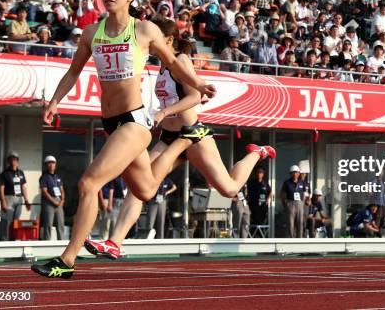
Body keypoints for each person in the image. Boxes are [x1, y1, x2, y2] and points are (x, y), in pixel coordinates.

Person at [31, 0, 216, 278]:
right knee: (144, 191)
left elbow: (172, 63)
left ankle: (67, 261)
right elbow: (74, 71)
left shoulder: (144, 31)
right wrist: (54, 101)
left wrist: (197, 85)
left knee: (89, 183)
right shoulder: (92, 33)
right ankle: (184, 141)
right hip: (111, 123)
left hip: (134, 122)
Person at [83, 19, 275, 259]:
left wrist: (164, 112)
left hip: (193, 134)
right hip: (169, 137)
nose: (150, 43)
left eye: (156, 38)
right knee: (140, 186)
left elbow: (195, 96)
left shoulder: (181, 61)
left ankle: (257, 152)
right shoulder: (160, 67)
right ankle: (115, 242)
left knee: (229, 188)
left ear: (169, 40)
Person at [0, 152, 31, 241]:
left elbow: (23, 187)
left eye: (15, 159)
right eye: (11, 159)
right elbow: (1, 188)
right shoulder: (5, 173)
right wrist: (3, 201)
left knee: (16, 222)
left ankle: (14, 241)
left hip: (18, 199)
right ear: (8, 161)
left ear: (17, 161)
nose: (13, 161)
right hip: (8, 198)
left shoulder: (21, 173)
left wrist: (26, 200)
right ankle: (4, 242)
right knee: (6, 222)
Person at [39, 155, 66, 240]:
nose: (51, 165)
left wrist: (62, 200)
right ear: (46, 165)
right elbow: (44, 191)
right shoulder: (44, 177)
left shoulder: (58, 177)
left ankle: (61, 242)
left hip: (59, 202)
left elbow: (62, 189)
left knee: (60, 223)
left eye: (53, 163)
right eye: (49, 163)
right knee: (48, 224)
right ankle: (47, 242)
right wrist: (52, 201)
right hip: (49, 203)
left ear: (55, 165)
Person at [281, 165, 305, 238]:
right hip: (290, 203)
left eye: (296, 172)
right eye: (293, 172)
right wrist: (285, 205)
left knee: (300, 223)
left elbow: (304, 193)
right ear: (290, 173)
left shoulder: (301, 182)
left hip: (300, 203)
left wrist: (302, 203)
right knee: (290, 223)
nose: (295, 174)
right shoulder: (287, 182)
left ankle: (299, 239)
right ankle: (290, 240)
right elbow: (283, 194)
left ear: (299, 173)